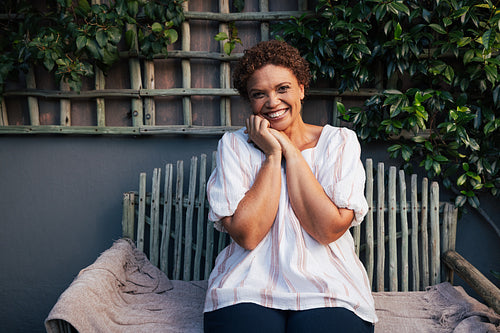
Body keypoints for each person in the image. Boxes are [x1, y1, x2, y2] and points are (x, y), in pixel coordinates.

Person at [203, 40, 377, 333]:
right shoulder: (234, 146)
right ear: (250, 101)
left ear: (302, 88)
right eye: (259, 94)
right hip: (247, 283)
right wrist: (272, 156)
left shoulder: (339, 143)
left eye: (282, 88)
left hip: (329, 285)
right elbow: (248, 235)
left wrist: (291, 151)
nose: (272, 102)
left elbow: (327, 229)